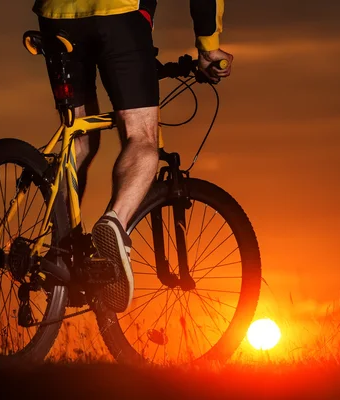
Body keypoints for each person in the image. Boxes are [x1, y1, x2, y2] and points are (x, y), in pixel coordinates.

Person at [32, 0, 233, 313]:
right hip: (119, 13)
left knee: (78, 136)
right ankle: (115, 223)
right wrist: (208, 48)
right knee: (141, 135)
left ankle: (63, 251)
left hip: (55, 14)